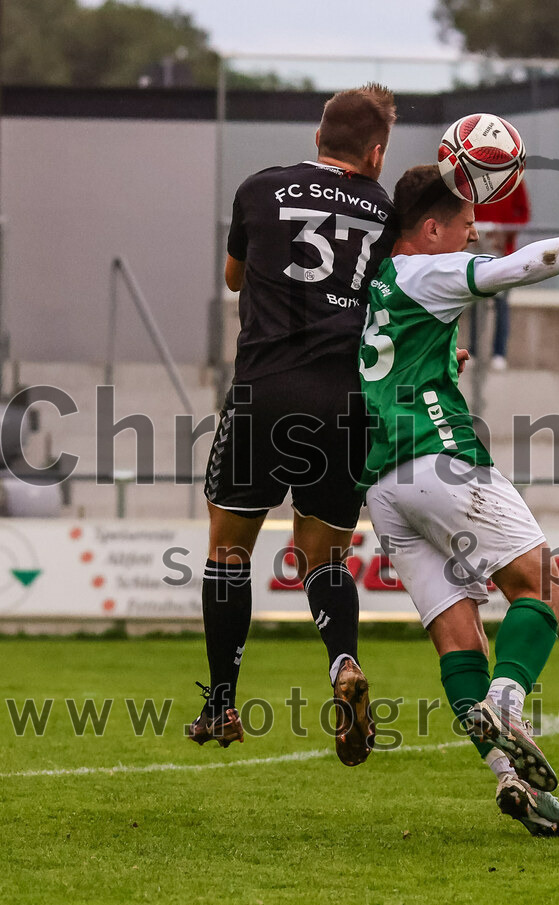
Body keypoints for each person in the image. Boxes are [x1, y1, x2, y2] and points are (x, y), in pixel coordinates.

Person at [359, 163, 559, 836]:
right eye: (467, 226)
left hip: (382, 486)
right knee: (546, 587)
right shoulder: (428, 271)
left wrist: (444, 364)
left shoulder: (378, 283)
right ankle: (508, 698)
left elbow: (385, 366)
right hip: (439, 460)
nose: (475, 235)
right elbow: (525, 266)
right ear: (432, 228)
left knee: (456, 635)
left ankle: (510, 778)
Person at [187, 84, 398, 767]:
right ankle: (343, 663)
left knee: (228, 550)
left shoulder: (260, 188)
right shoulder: (385, 210)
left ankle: (221, 703)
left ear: (316, 138)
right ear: (375, 153)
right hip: (346, 403)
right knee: (325, 557)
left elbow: (232, 278)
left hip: (265, 393)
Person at [473, 179, 530, 370]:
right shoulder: (473, 175)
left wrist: (504, 232)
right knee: (473, 298)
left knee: (501, 302)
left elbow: (523, 213)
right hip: (476, 247)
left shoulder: (514, 179)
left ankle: (499, 353)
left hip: (502, 250)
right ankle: (472, 350)